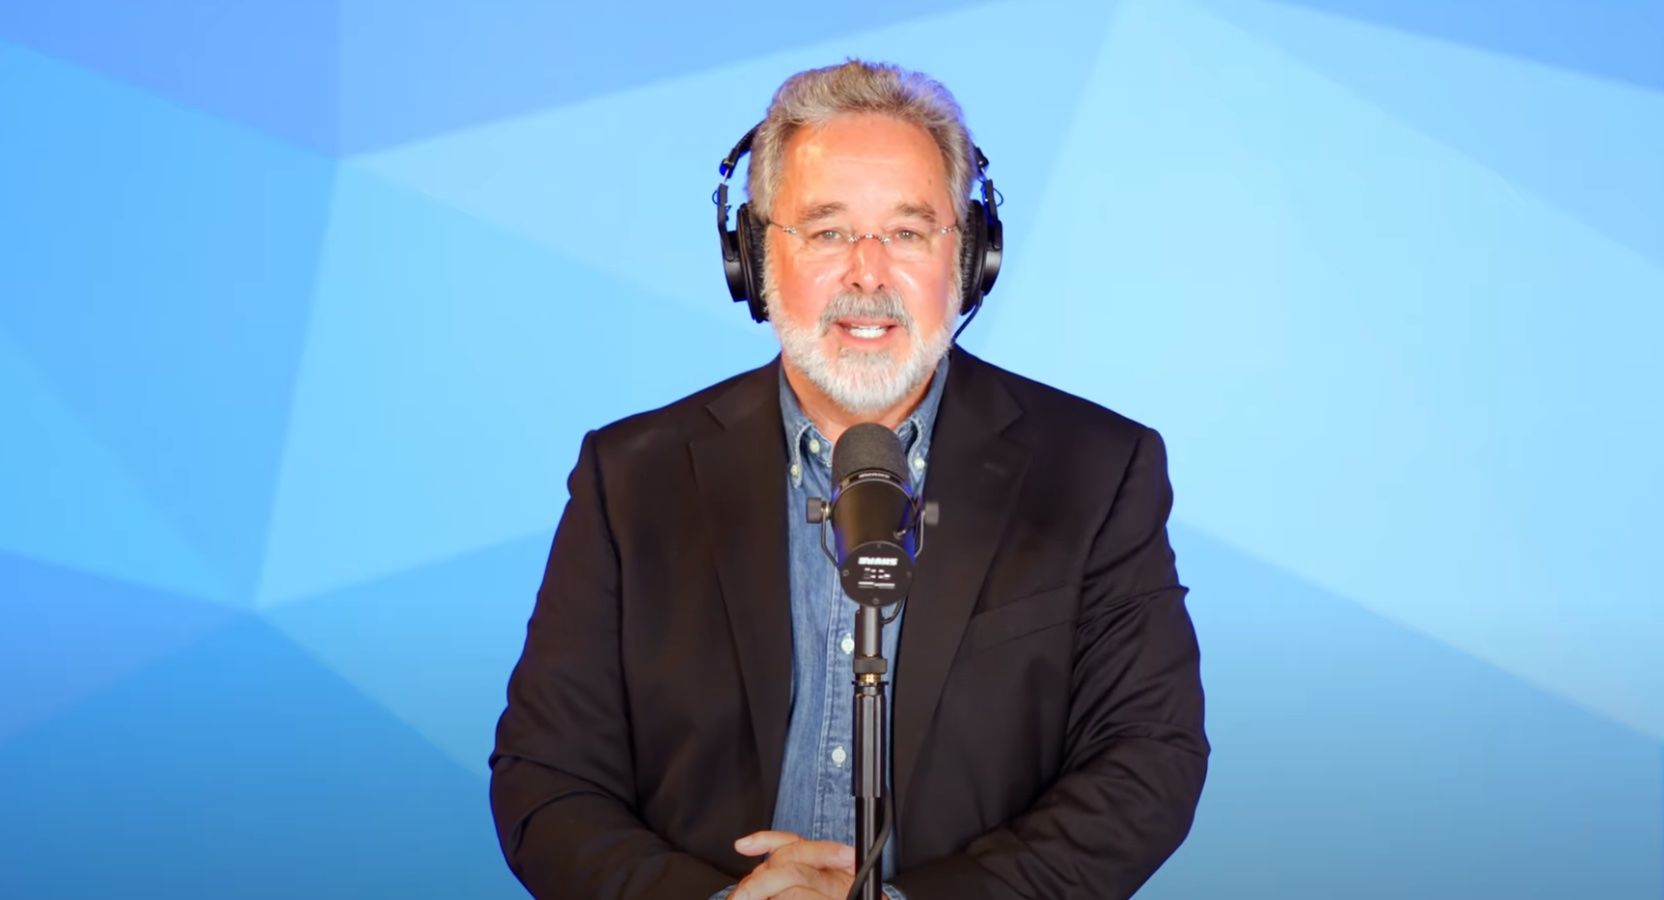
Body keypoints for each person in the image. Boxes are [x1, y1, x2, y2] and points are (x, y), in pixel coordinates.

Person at [489, 59, 1208, 900]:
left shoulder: (1096, 470)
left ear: (969, 256)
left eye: (907, 232)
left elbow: (1147, 762)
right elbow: (545, 778)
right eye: (828, 232)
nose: (868, 274)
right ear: (754, 256)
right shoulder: (630, 479)